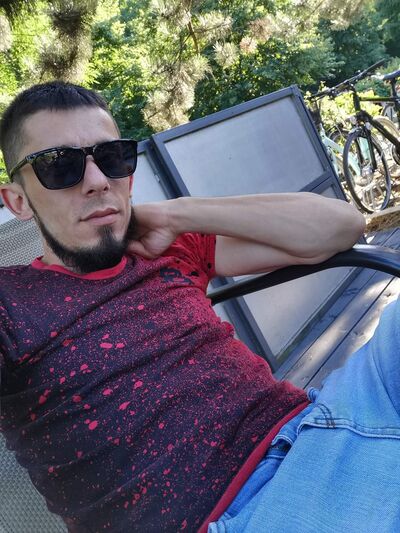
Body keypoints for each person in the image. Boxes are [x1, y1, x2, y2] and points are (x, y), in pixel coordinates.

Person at [0, 81, 396, 533]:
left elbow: (341, 226)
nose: (97, 181)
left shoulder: (168, 248)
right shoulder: (11, 303)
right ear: (18, 201)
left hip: (323, 423)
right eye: (59, 165)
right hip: (243, 514)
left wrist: (176, 214)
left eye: (111, 158)